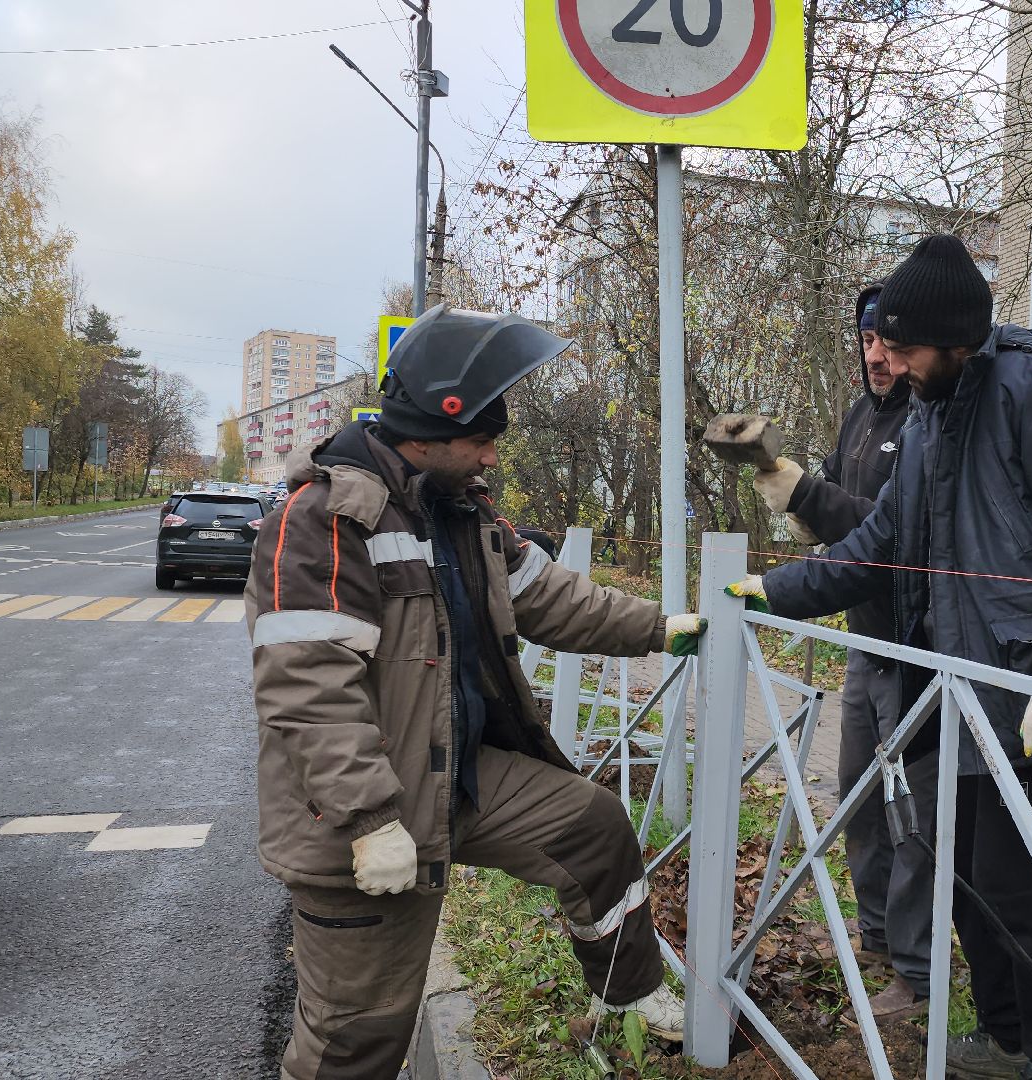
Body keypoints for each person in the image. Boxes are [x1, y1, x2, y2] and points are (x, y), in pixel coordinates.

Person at [729, 235, 1032, 1080]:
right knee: (961, 874)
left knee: (1024, 890)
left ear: (958, 337)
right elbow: (880, 544)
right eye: (880, 342)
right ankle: (1004, 1040)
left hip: (1028, 695)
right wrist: (772, 590)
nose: (884, 360)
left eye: (902, 345)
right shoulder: (932, 415)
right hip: (948, 689)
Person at [245, 305, 709, 1080]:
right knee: (356, 1039)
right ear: (428, 431)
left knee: (592, 828)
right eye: (482, 440)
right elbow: (308, 688)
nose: (493, 456)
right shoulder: (325, 520)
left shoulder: (462, 511)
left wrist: (662, 628)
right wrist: (369, 820)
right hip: (365, 819)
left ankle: (632, 994)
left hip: (455, 774)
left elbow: (554, 598)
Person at [743, 283, 933, 1021]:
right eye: (865, 341)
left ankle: (917, 978)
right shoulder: (862, 416)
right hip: (866, 640)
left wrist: (806, 497)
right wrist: (799, 501)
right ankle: (880, 941)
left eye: (888, 342)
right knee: (858, 794)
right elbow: (845, 525)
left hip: (919, 647)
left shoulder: (928, 421)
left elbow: (888, 536)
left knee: (910, 810)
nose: (876, 356)